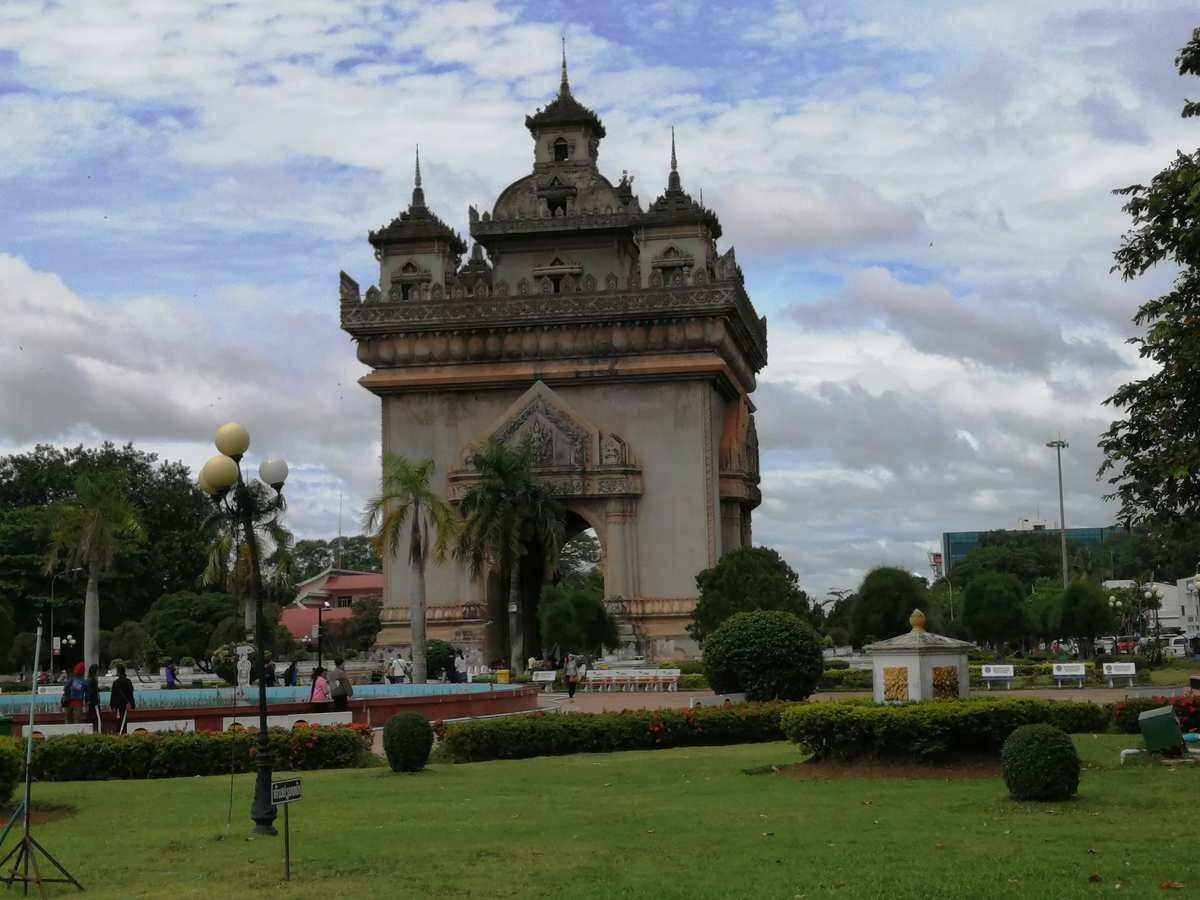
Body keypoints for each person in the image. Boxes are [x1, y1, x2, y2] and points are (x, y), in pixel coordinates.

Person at [109, 663, 135, 733]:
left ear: (118, 672)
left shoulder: (116, 682)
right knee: (124, 720)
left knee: (120, 720)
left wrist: (112, 706)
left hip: (119, 705)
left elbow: (113, 695)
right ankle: (123, 732)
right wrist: (132, 704)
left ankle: (119, 733)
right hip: (127, 705)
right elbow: (131, 694)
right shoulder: (128, 682)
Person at [85, 664, 102, 732]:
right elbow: (91, 691)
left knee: (91, 716)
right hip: (94, 702)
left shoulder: (88, 679)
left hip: (91, 702)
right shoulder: (93, 680)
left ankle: (93, 731)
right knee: (97, 717)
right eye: (98, 670)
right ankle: (97, 731)